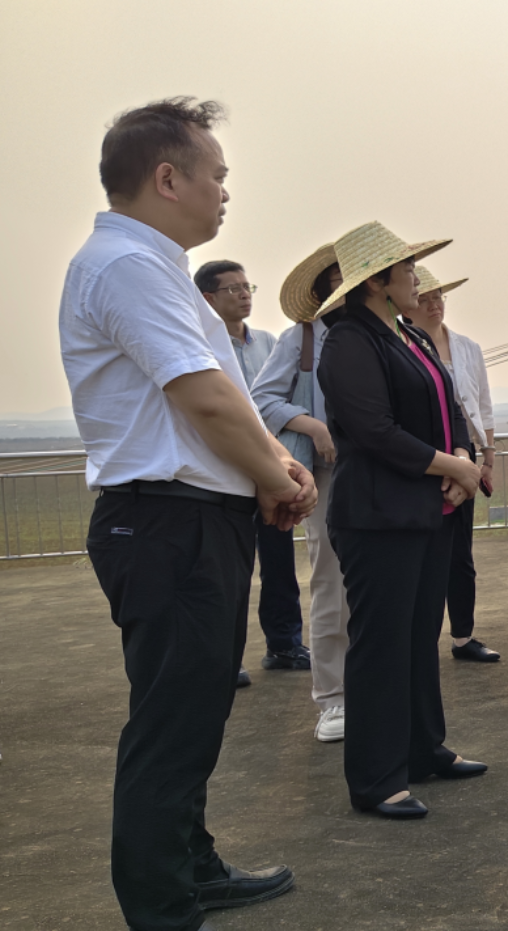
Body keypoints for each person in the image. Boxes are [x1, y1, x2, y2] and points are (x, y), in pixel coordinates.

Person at [59, 97, 311, 930]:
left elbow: (223, 394)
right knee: (171, 724)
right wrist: (278, 478)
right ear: (168, 179)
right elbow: (201, 397)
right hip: (164, 520)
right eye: (217, 175)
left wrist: (270, 468)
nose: (225, 192)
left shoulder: (156, 266)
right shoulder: (126, 266)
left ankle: (190, 864)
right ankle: (163, 906)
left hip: (190, 519)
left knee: (195, 712)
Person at [314, 221, 487, 819]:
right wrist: (452, 466)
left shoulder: (408, 333)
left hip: (426, 509)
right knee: (382, 644)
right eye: (408, 269)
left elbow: (451, 404)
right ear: (376, 281)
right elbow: (373, 429)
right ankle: (376, 778)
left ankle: (423, 750)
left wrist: (460, 456)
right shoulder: (349, 340)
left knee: (417, 638)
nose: (418, 278)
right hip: (378, 515)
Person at [252, 244, 352, 741]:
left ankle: (378, 688)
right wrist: (312, 425)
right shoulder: (303, 337)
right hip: (330, 475)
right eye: (338, 278)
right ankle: (333, 698)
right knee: (331, 584)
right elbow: (261, 398)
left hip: (386, 473)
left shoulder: (390, 332)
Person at [196, 258, 311, 683]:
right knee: (228, 571)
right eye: (233, 289)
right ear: (208, 298)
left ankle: (284, 644)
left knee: (279, 563)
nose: (244, 295)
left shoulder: (269, 342)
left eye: (248, 287)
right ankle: (227, 658)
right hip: (224, 469)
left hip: (270, 467)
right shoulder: (200, 344)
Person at [406, 266, 501, 663]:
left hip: (465, 456)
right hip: (421, 457)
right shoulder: (402, 344)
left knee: (460, 553)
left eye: (439, 297)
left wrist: (487, 454)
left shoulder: (467, 347)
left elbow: (482, 403)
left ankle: (463, 635)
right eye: (425, 298)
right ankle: (416, 637)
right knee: (419, 551)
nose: (434, 305)